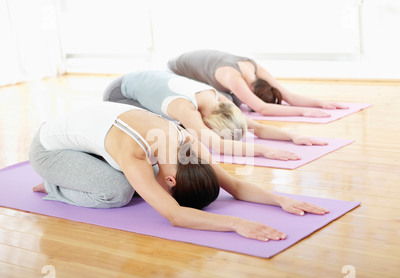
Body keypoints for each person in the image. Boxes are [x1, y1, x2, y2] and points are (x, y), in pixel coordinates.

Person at [29, 101, 329, 242]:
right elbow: (175, 215)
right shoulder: (134, 153)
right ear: (171, 181)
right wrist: (237, 223)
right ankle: (53, 184)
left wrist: (280, 201)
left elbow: (234, 185)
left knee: (140, 183)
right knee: (118, 192)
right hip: (49, 149)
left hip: (90, 141)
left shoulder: (189, 144)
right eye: (169, 190)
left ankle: (74, 174)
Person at [103, 70, 327, 161]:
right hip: (119, 93)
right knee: (174, 131)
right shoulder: (184, 108)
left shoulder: (221, 102)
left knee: (185, 132)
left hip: (145, 78)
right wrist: (265, 150)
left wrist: (292, 137)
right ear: (209, 123)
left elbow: (255, 127)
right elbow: (217, 145)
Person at [167, 49, 347, 117]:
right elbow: (262, 108)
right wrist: (304, 112)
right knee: (231, 104)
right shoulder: (232, 77)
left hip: (199, 71)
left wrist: (321, 104)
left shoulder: (254, 68)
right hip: (175, 74)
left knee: (233, 100)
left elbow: (289, 96)